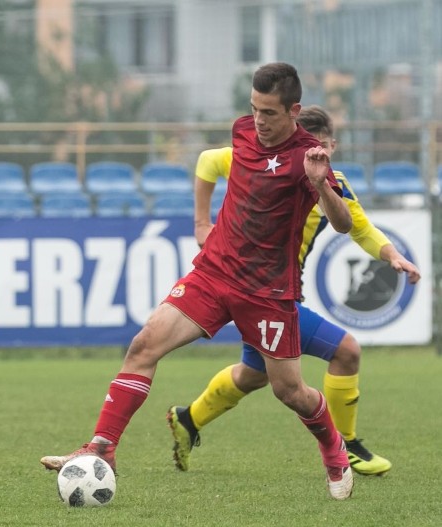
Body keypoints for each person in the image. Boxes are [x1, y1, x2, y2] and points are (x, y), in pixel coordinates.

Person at [41, 62, 357, 500]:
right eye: (254, 109)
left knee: (290, 391)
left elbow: (342, 224)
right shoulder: (242, 131)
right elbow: (211, 165)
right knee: (143, 346)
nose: (259, 121)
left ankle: (333, 447)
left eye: (269, 113)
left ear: (294, 110)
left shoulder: (309, 157)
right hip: (214, 272)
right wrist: (201, 223)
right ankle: (102, 448)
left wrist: (323, 186)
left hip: (266, 291)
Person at [167, 105, 421, 475]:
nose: (313, 157)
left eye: (321, 150)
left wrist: (392, 255)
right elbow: (208, 160)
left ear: (332, 146)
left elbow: (360, 229)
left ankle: (188, 419)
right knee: (346, 351)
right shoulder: (269, 163)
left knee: (253, 373)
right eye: (307, 149)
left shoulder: (333, 185)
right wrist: (201, 223)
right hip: (260, 292)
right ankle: (347, 446)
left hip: (274, 292)